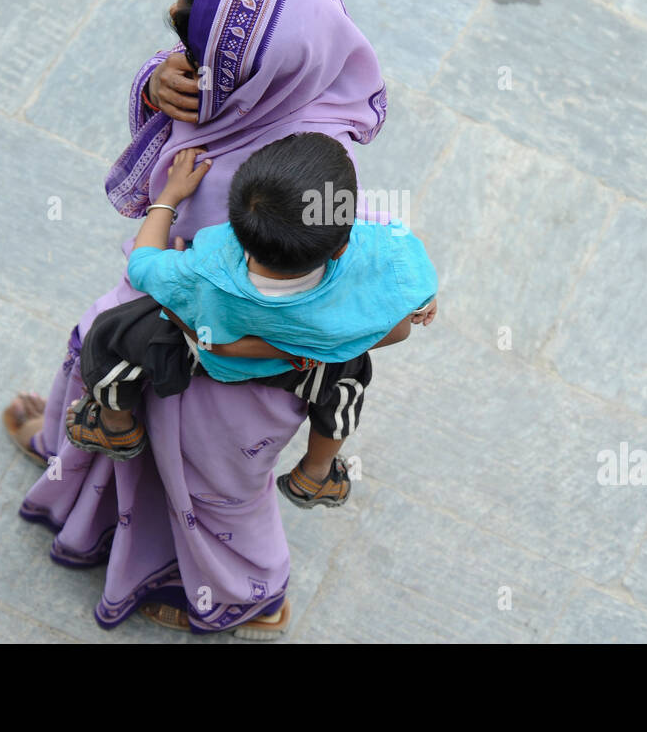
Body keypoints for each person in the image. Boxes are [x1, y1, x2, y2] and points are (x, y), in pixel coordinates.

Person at [2, 0, 397, 638]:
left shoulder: (278, 180)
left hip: (222, 381)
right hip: (192, 335)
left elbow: (242, 290)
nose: (183, 62)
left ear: (250, 68)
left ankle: (259, 598)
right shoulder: (278, 83)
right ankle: (79, 472)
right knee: (138, 431)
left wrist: (211, 330)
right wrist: (157, 84)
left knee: (214, 496)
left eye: (195, 49)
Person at [63, 134, 438, 511]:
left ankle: (115, 426)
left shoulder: (205, 265)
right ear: (343, 241)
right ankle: (317, 473)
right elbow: (410, 311)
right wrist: (418, 304)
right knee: (348, 385)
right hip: (307, 369)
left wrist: (169, 198)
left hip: (211, 355)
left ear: (237, 220)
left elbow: (141, 266)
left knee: (111, 335)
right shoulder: (387, 251)